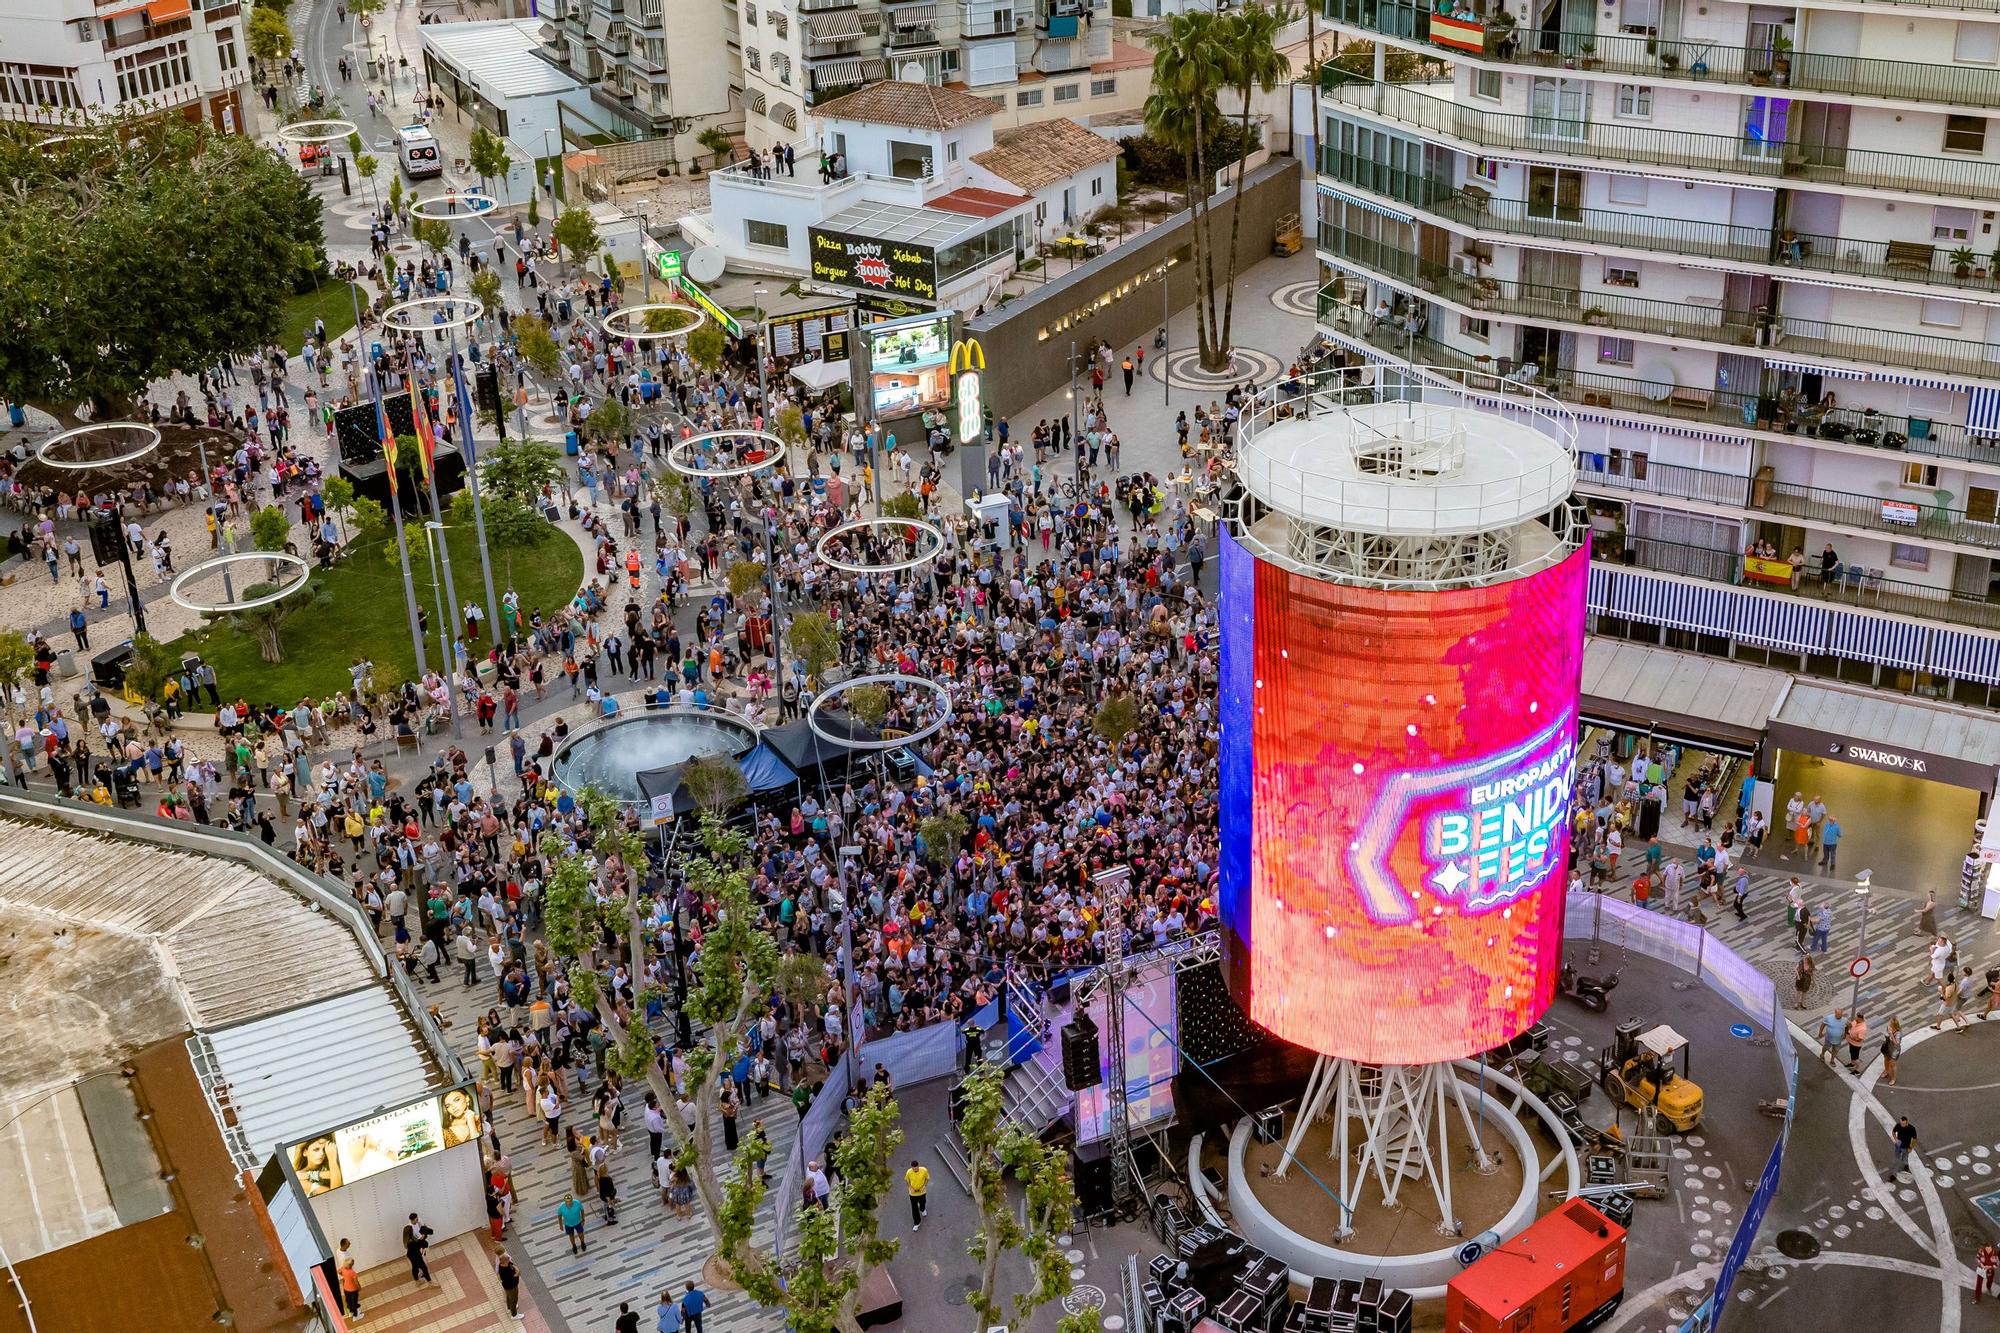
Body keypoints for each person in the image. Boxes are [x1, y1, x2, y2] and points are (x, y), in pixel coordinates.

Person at [402, 1212, 434, 1284]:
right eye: (416, 1220)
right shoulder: (409, 1229)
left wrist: (423, 1236)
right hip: (415, 1251)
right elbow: (417, 1241)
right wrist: (422, 1238)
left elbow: (424, 1229)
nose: (417, 1220)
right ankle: (428, 1281)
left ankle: (418, 1280)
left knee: (416, 1266)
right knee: (422, 1266)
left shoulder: (419, 1222)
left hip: (417, 1249)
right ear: (412, 1220)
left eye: (417, 1219)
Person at [1887, 1114, 1919, 1180]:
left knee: (1905, 1157)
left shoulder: (1911, 1129)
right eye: (1901, 1123)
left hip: (1906, 1147)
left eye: (1903, 1123)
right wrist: (1896, 1139)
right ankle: (1894, 1175)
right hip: (1898, 1145)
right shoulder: (1898, 1125)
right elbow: (1893, 1132)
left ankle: (1906, 1164)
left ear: (1907, 1122)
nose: (1902, 1125)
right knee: (1896, 1160)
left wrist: (1911, 1147)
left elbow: (1914, 1139)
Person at [498, 1249, 525, 1319]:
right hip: (511, 1287)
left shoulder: (502, 1264)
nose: (509, 1260)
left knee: (508, 1297)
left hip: (508, 1286)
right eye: (508, 1260)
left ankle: (509, 1307)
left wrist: (516, 1269)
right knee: (513, 1299)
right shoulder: (505, 1271)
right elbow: (513, 1277)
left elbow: (512, 1264)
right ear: (504, 1261)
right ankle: (514, 1315)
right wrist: (517, 1273)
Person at [905, 1157, 929, 1230]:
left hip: (922, 1191)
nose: (915, 1169)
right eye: (913, 1168)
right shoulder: (909, 1172)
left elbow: (927, 1178)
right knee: (914, 1208)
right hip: (913, 1193)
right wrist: (911, 1188)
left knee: (923, 1202)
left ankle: (922, 1208)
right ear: (911, 1167)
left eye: (916, 1168)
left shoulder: (924, 1170)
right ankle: (917, 1223)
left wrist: (924, 1186)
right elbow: (907, 1181)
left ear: (918, 1166)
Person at [338, 1256, 363, 1322]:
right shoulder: (352, 1273)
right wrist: (359, 1287)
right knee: (354, 1302)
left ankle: (350, 1313)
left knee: (348, 1301)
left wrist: (343, 1275)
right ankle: (355, 1316)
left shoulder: (343, 1269)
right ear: (351, 1265)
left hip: (346, 1288)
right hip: (353, 1290)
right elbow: (356, 1282)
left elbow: (339, 1271)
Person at [1880, 1018, 1902, 1087]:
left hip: (1894, 1050)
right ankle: (1886, 1071)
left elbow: (1896, 1043)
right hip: (1888, 1047)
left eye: (1891, 1023)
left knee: (1893, 1064)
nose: (1889, 1024)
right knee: (1886, 1059)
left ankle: (1893, 1078)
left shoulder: (1898, 1033)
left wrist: (1891, 1034)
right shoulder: (1889, 1027)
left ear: (1894, 1025)